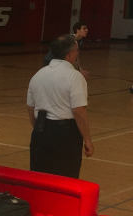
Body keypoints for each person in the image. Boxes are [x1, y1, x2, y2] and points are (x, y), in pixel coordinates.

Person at [27, 35, 94, 178]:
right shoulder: (74, 77)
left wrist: (39, 128)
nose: (77, 54)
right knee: (65, 179)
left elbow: (30, 108)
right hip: (65, 135)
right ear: (70, 54)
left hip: (40, 133)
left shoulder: (38, 75)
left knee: (39, 178)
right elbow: (78, 111)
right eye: (76, 51)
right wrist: (87, 139)